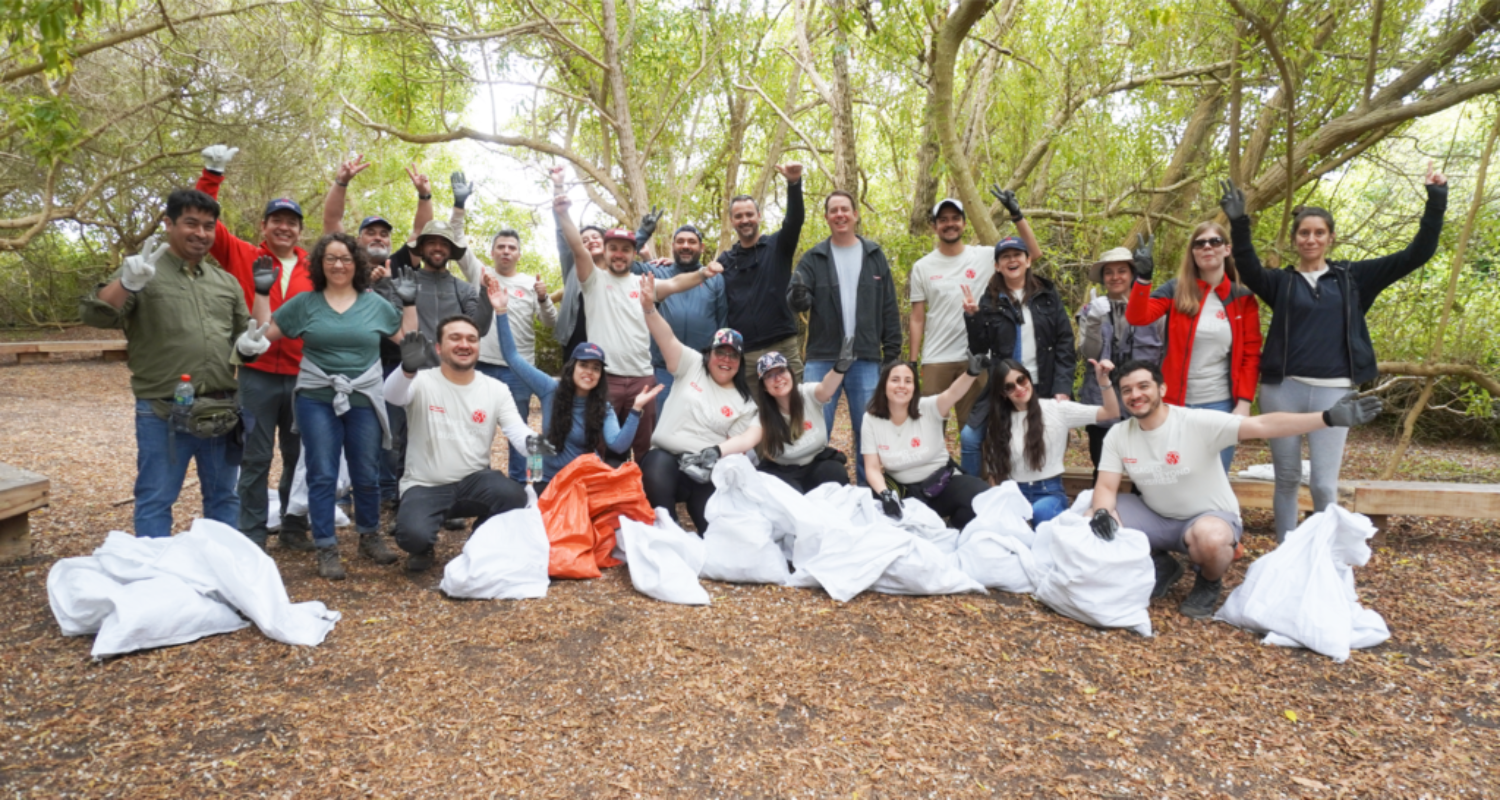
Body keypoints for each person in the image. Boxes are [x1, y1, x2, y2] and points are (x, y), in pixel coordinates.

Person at [1220, 167, 1448, 540]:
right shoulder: (1281, 282)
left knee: (1325, 484)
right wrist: (1239, 222)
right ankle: (1286, 554)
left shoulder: (1354, 278)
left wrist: (1436, 200)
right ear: (1295, 240)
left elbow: (1417, 254)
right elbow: (1246, 265)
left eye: (1318, 233)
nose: (1311, 239)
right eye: (1304, 233)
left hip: (1335, 393)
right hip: (1284, 390)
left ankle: (1322, 558)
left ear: (1330, 238)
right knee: (1288, 478)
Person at [1090, 359, 1383, 619]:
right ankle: (1161, 565)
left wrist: (1327, 418)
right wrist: (1102, 512)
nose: (1135, 395)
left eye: (1143, 386)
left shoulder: (1196, 421)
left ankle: (1208, 581)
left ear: (1162, 389)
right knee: (1090, 513)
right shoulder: (1119, 434)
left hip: (1205, 518)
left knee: (1212, 539)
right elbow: (1105, 485)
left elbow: (1263, 425)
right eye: (1127, 390)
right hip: (1156, 517)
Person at [236, 232, 413, 579]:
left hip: (363, 396)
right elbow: (260, 336)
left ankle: (369, 536)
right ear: (319, 264)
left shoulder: (374, 303)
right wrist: (260, 294)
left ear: (356, 264)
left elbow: (408, 342)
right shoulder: (305, 303)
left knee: (366, 471)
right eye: (330, 258)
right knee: (321, 472)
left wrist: (410, 304)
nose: (338, 265)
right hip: (317, 396)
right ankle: (326, 546)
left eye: (345, 258)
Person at [80, 189, 247, 539]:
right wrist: (126, 284)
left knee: (223, 499)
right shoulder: (142, 272)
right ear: (168, 224)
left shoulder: (225, 282)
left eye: (208, 226)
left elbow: (242, 339)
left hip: (220, 409)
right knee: (156, 498)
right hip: (162, 411)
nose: (201, 233)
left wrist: (251, 345)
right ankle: (155, 585)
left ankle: (221, 579)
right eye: (191, 223)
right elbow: (95, 315)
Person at [193, 144, 315, 550]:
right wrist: (212, 175)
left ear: (300, 230)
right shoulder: (244, 254)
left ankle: (295, 526)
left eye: (292, 222)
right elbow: (205, 223)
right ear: (263, 225)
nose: (284, 228)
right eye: (277, 221)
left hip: (302, 376)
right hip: (257, 374)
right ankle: (252, 533)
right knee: (255, 458)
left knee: (299, 458)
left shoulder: (314, 267)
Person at [557, 195, 723, 460]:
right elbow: (577, 247)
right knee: (602, 445)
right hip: (605, 379)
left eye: (626, 249)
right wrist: (563, 213)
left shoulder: (643, 283)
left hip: (642, 378)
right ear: (605, 250)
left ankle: (646, 495)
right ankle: (606, 492)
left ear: (634, 253)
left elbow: (677, 283)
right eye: (614, 248)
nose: (619, 254)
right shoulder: (593, 280)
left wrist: (704, 273)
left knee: (644, 446)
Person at [382, 313, 541, 573]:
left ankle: (480, 541)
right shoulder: (421, 381)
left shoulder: (496, 389)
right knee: (412, 536)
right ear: (438, 347)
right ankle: (423, 548)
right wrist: (407, 369)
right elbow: (392, 395)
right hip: (426, 484)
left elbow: (517, 432)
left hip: (474, 481)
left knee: (515, 496)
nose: (464, 344)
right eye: (454, 338)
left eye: (471, 339)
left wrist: (539, 446)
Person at [322, 156, 433, 507]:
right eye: (371, 231)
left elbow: (421, 234)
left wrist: (424, 196)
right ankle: (353, 490)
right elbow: (330, 221)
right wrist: (341, 183)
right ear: (358, 239)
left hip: (398, 361)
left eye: (384, 233)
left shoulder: (398, 262)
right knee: (353, 429)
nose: (378, 237)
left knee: (396, 432)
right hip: (354, 362)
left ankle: (392, 492)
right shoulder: (344, 263)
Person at [485, 275, 659, 492]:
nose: (589, 372)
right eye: (584, 365)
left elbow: (618, 444)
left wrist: (635, 410)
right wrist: (501, 312)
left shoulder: (601, 406)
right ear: (572, 368)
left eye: (596, 368)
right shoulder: (549, 389)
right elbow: (512, 357)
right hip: (549, 480)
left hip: (584, 480)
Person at [445, 172, 558, 482]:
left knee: (518, 430)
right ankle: (472, 483)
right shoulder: (480, 273)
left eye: (512, 247)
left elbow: (552, 324)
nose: (506, 251)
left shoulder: (529, 284)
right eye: (501, 247)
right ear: (493, 252)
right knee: (474, 427)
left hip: (518, 370)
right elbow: (456, 238)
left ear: (519, 254)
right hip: (479, 365)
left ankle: (522, 486)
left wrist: (544, 298)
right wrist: (459, 204)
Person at [786, 190, 902, 485]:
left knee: (868, 430)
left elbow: (889, 307)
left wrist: (892, 355)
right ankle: (816, 492)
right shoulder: (813, 258)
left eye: (845, 209)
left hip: (865, 356)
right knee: (814, 427)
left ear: (855, 214)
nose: (839, 215)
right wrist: (798, 297)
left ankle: (870, 492)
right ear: (826, 217)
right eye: (833, 210)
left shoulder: (874, 255)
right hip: (823, 356)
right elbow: (798, 297)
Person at [1125, 225, 1261, 472]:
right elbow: (1138, 317)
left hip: (1221, 405)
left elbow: (1251, 354)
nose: (1207, 246)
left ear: (1227, 249)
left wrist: (1244, 402)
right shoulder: (1176, 290)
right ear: (1192, 252)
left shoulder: (1242, 297)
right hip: (1177, 404)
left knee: (1215, 477)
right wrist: (1142, 279)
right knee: (1175, 476)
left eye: (1215, 241)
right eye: (1200, 243)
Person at [637, 274, 761, 534]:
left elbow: (743, 442)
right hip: (666, 460)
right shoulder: (691, 364)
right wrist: (649, 307)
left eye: (732, 355)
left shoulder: (744, 402)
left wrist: (715, 456)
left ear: (739, 362)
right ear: (710, 354)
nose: (725, 360)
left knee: (714, 534)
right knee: (655, 469)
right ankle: (669, 533)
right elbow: (666, 337)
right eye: (720, 353)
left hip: (704, 470)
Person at [957, 214, 1068, 478]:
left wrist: (1063, 388)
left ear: (1028, 260)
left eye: (1017, 254)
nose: (1012, 260)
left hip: (1042, 382)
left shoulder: (1047, 296)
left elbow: (1064, 342)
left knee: (1043, 443)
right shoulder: (989, 300)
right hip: (1002, 386)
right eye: (1005, 257)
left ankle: (1042, 496)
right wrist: (973, 317)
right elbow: (980, 347)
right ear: (997, 266)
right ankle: (972, 497)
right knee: (970, 436)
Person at [980, 358, 1118, 525]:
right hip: (1013, 493)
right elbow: (995, 473)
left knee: (1042, 514)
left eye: (1021, 380)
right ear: (1003, 393)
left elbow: (1110, 412)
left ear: (1028, 378)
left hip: (1048, 492)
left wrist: (1103, 381)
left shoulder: (1056, 409)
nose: (1019, 388)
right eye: (1009, 387)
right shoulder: (999, 423)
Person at [863, 356, 989, 529]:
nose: (901, 385)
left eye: (908, 381)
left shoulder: (929, 407)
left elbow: (952, 393)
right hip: (903, 492)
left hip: (940, 484)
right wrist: (885, 495)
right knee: (867, 502)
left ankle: (952, 530)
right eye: (895, 380)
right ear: (884, 385)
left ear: (914, 387)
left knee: (981, 497)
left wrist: (971, 373)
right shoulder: (871, 419)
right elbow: (872, 468)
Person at [908, 197, 998, 430]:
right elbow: (917, 318)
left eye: (955, 219)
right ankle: (934, 469)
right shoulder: (922, 266)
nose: (950, 224)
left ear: (965, 223)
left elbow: (1030, 255)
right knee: (929, 428)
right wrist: (912, 361)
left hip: (975, 358)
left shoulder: (985, 256)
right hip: (936, 358)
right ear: (934, 226)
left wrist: (1017, 216)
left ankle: (973, 469)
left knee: (975, 432)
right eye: (943, 220)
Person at [1076, 243, 1165, 478]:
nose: (1115, 277)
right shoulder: (1091, 309)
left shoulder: (1156, 310)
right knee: (1103, 465)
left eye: (1121, 271)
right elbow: (1089, 353)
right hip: (1101, 396)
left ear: (1133, 274)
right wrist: (1094, 321)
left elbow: (1165, 354)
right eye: (1109, 272)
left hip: (1144, 397)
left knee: (1146, 471)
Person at [548, 166, 657, 355]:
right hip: (575, 338)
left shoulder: (617, 268)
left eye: (596, 237)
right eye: (584, 240)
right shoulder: (573, 265)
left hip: (608, 339)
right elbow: (561, 230)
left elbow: (626, 248)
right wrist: (559, 186)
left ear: (606, 244)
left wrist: (644, 232)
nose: (591, 241)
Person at [713, 163, 806, 381]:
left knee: (796, 406)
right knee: (756, 413)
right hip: (747, 352)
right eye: (738, 216)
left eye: (749, 214)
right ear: (731, 221)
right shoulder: (725, 261)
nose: (744, 220)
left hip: (783, 344)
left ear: (759, 216)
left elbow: (794, 221)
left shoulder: (778, 246)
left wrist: (793, 183)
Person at [637, 224, 727, 417]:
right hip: (663, 368)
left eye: (692, 242)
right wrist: (642, 234)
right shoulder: (658, 273)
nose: (686, 246)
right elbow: (625, 263)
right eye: (680, 241)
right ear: (673, 246)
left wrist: (717, 361)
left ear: (701, 248)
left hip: (702, 368)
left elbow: (722, 323)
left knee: (700, 424)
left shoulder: (715, 279)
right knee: (662, 425)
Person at [750, 341, 854, 492]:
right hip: (783, 471)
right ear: (763, 387)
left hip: (817, 463)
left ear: (791, 373)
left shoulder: (807, 393)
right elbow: (746, 439)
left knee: (835, 473)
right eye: (769, 375)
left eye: (781, 371)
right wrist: (717, 450)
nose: (778, 378)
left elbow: (826, 388)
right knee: (788, 495)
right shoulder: (763, 415)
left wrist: (839, 368)